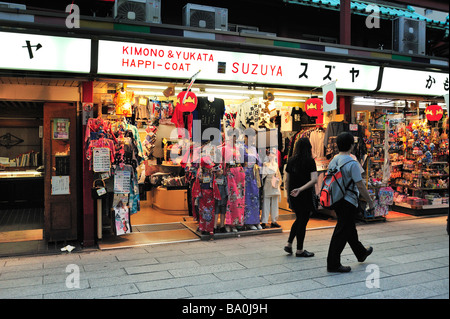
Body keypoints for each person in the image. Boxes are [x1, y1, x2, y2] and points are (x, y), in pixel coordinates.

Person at [326, 132, 374, 273]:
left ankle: (360, 253)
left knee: (349, 228)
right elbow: (360, 185)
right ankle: (333, 263)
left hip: (336, 199)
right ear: (352, 146)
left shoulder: (333, 160)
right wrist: (370, 201)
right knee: (341, 231)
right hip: (348, 201)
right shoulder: (352, 163)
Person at [284, 137, 318, 257]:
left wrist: (288, 194)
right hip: (305, 195)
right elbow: (314, 180)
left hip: (293, 194)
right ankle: (299, 250)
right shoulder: (310, 161)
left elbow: (287, 180)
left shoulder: (291, 160)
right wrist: (301, 189)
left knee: (299, 219)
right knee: (302, 221)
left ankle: (289, 244)